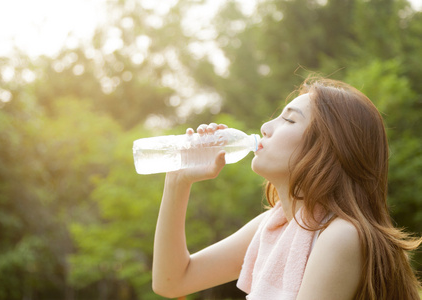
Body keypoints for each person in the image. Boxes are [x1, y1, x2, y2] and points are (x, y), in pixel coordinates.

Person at [151, 77, 422, 299]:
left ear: (328, 149)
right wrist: (177, 181)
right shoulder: (275, 226)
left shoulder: (342, 235)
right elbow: (172, 281)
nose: (265, 127)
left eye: (289, 120)